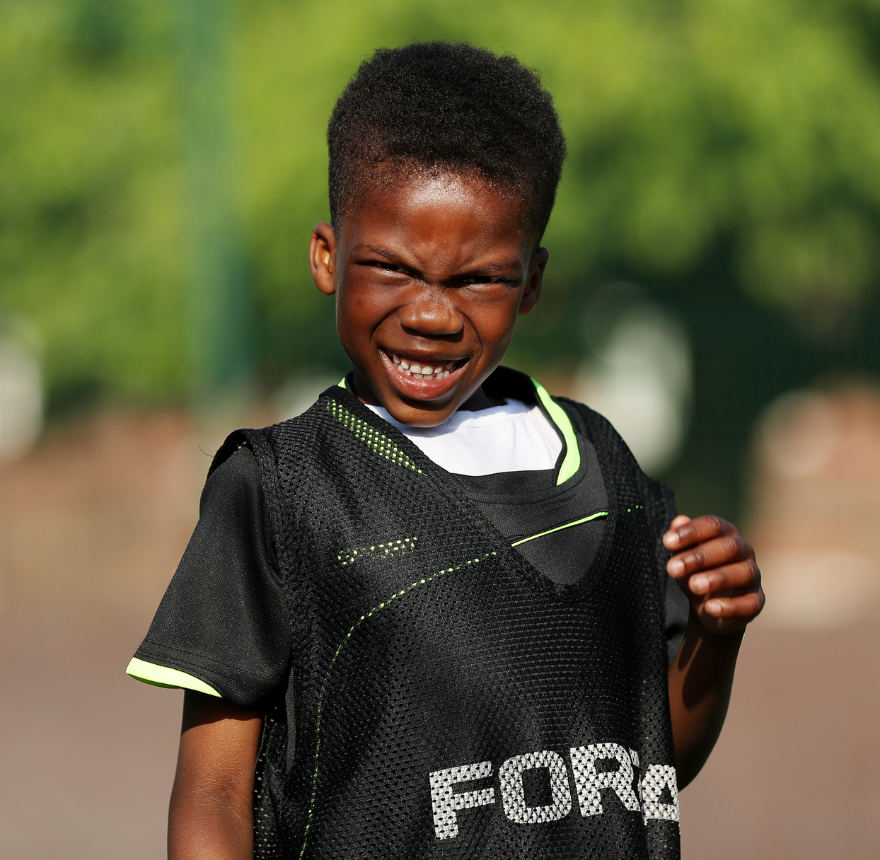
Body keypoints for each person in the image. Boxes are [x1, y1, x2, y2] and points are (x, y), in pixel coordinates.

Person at [127, 41, 764, 860]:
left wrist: (719, 633)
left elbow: (652, 764)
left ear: (532, 282)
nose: (431, 314)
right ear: (328, 256)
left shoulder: (608, 470)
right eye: (392, 268)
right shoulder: (282, 489)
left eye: (478, 280)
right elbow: (213, 796)